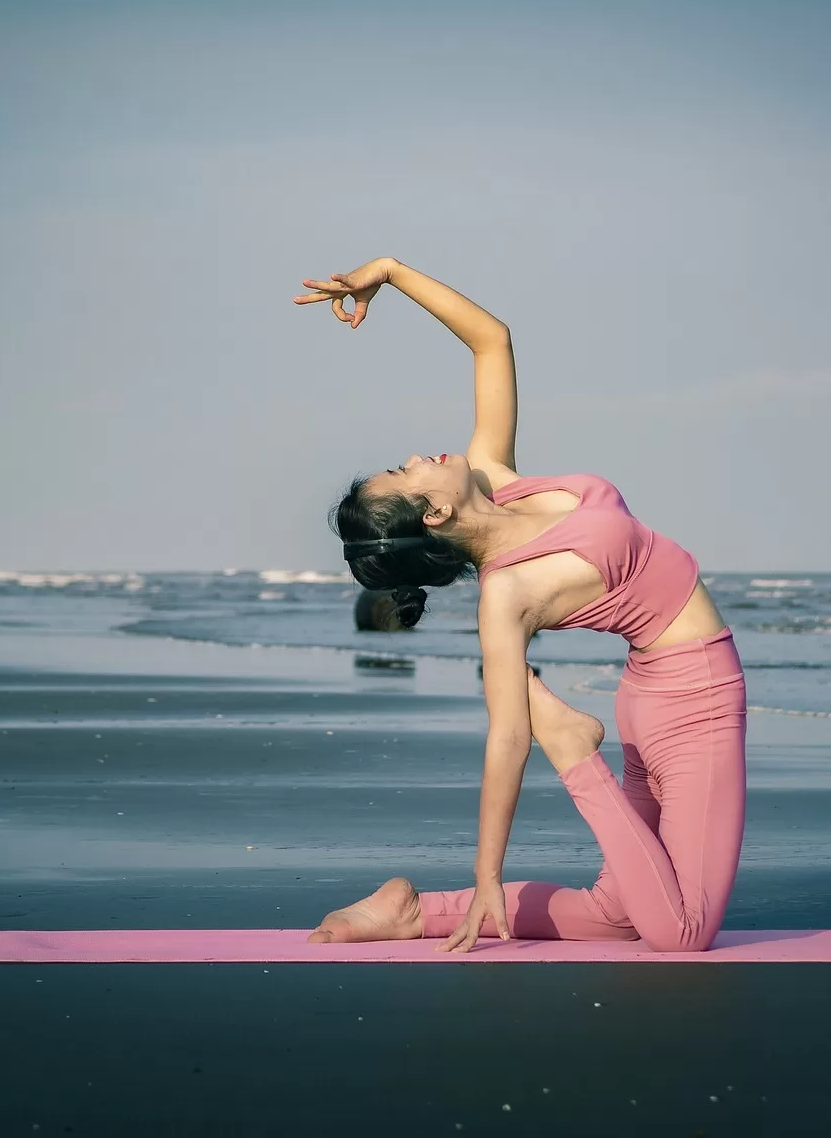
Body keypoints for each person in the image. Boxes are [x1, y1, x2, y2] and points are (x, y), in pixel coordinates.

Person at [292, 258, 746, 953]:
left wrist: (388, 272)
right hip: (699, 702)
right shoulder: (505, 592)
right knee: (680, 935)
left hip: (652, 695)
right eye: (404, 470)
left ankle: (416, 912)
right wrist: (489, 866)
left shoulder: (499, 480)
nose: (417, 454)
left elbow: (491, 341)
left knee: (622, 914)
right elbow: (507, 737)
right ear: (436, 511)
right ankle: (573, 751)